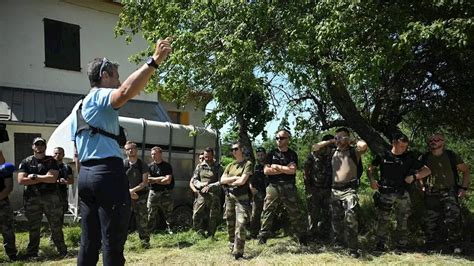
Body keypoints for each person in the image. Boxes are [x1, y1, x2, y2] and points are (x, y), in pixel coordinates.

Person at [70, 38, 172, 265]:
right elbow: (125, 92)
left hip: (85, 176)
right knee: (113, 242)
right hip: (106, 173)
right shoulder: (99, 96)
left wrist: (87, 180)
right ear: (104, 75)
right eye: (115, 76)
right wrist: (154, 61)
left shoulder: (78, 107)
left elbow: (76, 155)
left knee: (89, 242)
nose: (118, 81)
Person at [368, 133, 431, 252]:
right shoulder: (383, 155)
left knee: (403, 220)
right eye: (401, 146)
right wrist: (372, 180)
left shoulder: (409, 157)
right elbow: (371, 168)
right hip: (385, 192)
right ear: (394, 143)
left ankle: (402, 246)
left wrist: (414, 176)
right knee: (383, 220)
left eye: (405, 146)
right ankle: (380, 245)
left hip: (402, 193)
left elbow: (427, 170)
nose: (404, 149)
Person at [313, 127, 367, 257]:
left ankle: (353, 249)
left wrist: (351, 140)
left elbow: (364, 145)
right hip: (335, 190)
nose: (339, 140)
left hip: (349, 190)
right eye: (337, 137)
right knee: (336, 220)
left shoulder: (354, 152)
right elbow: (315, 147)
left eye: (342, 137)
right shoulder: (332, 152)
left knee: (351, 218)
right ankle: (338, 245)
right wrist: (331, 141)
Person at [420, 132, 471, 254]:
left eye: (437, 139)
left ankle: (456, 245)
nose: (433, 141)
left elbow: (466, 171)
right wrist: (422, 186)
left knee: (453, 219)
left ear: (443, 142)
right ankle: (431, 246)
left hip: (449, 192)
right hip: (431, 193)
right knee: (430, 220)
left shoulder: (451, 156)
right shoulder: (424, 157)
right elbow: (419, 173)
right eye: (431, 140)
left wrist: (463, 189)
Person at [17, 137, 67, 258]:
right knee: (34, 227)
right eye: (37, 144)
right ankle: (32, 253)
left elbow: (52, 178)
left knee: (56, 226)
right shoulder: (26, 161)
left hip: (51, 198)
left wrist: (34, 177)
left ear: (45, 146)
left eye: (42, 144)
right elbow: (21, 180)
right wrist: (43, 178)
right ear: (33, 146)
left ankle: (62, 252)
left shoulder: (51, 161)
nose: (39, 146)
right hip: (32, 199)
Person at [257, 129, 308, 245]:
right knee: (267, 211)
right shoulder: (271, 154)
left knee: (294, 212)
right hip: (273, 186)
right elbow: (266, 171)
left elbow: (292, 171)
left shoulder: (292, 154)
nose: (279, 140)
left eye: (282, 138)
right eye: (277, 138)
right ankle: (263, 236)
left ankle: (302, 237)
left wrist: (276, 167)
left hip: (288, 186)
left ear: (288, 139)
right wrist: (284, 169)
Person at [220, 142, 253, 260]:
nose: (233, 151)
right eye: (232, 149)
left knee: (241, 223)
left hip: (241, 198)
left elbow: (242, 182)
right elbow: (222, 180)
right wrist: (234, 178)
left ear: (241, 149)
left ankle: (239, 252)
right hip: (229, 197)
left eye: (235, 149)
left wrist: (229, 182)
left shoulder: (247, 164)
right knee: (230, 223)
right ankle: (231, 246)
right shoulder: (230, 165)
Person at [304, 134, 334, 241]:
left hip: (329, 189)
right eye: (328, 143)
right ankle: (312, 236)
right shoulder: (314, 153)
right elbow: (306, 170)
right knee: (313, 214)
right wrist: (308, 187)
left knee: (328, 214)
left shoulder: (334, 153)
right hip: (314, 188)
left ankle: (325, 236)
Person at [191, 147, 223, 237]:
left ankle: (211, 235)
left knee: (213, 216)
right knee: (196, 214)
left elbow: (221, 181)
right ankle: (199, 233)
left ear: (213, 156)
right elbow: (195, 179)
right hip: (202, 195)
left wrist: (210, 186)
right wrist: (201, 184)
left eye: (209, 157)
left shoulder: (218, 167)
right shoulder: (200, 166)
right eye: (205, 156)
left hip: (214, 195)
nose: (207, 158)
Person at [123, 141, 150, 248]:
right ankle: (121, 244)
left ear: (136, 150)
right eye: (128, 149)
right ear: (125, 151)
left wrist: (132, 191)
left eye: (133, 148)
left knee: (142, 220)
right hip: (126, 197)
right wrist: (128, 193)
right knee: (123, 220)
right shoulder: (123, 164)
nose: (131, 150)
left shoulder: (142, 165)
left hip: (140, 197)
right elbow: (119, 181)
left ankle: (145, 243)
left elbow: (144, 182)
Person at [147, 146, 174, 233]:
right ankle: (149, 231)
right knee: (151, 212)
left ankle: (170, 229)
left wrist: (154, 180)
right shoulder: (150, 167)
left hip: (165, 192)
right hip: (153, 193)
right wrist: (161, 178)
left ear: (160, 154)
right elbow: (148, 180)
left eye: (155, 154)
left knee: (168, 212)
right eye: (152, 154)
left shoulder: (167, 166)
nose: (153, 155)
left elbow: (168, 181)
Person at [0, 149, 17, 261]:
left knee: (7, 230)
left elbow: (9, 187)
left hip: (2, 203)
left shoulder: (5, 169)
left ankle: (12, 256)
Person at [248, 147, 267, 238]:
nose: (260, 157)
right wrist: (251, 188)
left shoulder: (269, 165)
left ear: (265, 154)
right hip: (257, 192)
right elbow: (250, 179)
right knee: (255, 213)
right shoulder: (255, 166)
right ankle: (253, 233)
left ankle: (265, 232)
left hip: (268, 191)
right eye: (258, 155)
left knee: (266, 213)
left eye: (262, 155)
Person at [53, 147, 74, 223]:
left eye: (59, 153)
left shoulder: (66, 167)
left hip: (61, 194)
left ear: (63, 155)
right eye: (55, 153)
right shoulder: (48, 166)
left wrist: (65, 181)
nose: (57, 155)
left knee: (60, 216)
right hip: (50, 194)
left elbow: (71, 181)